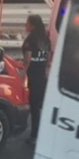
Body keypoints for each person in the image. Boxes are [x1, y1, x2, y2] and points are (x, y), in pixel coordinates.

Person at [22, 14, 51, 145]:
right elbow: (49, 58)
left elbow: (27, 60)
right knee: (41, 107)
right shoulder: (45, 39)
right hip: (42, 77)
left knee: (34, 107)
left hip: (33, 76)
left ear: (32, 25)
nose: (25, 25)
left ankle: (34, 136)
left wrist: (23, 73)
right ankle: (43, 134)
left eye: (27, 23)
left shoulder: (30, 40)